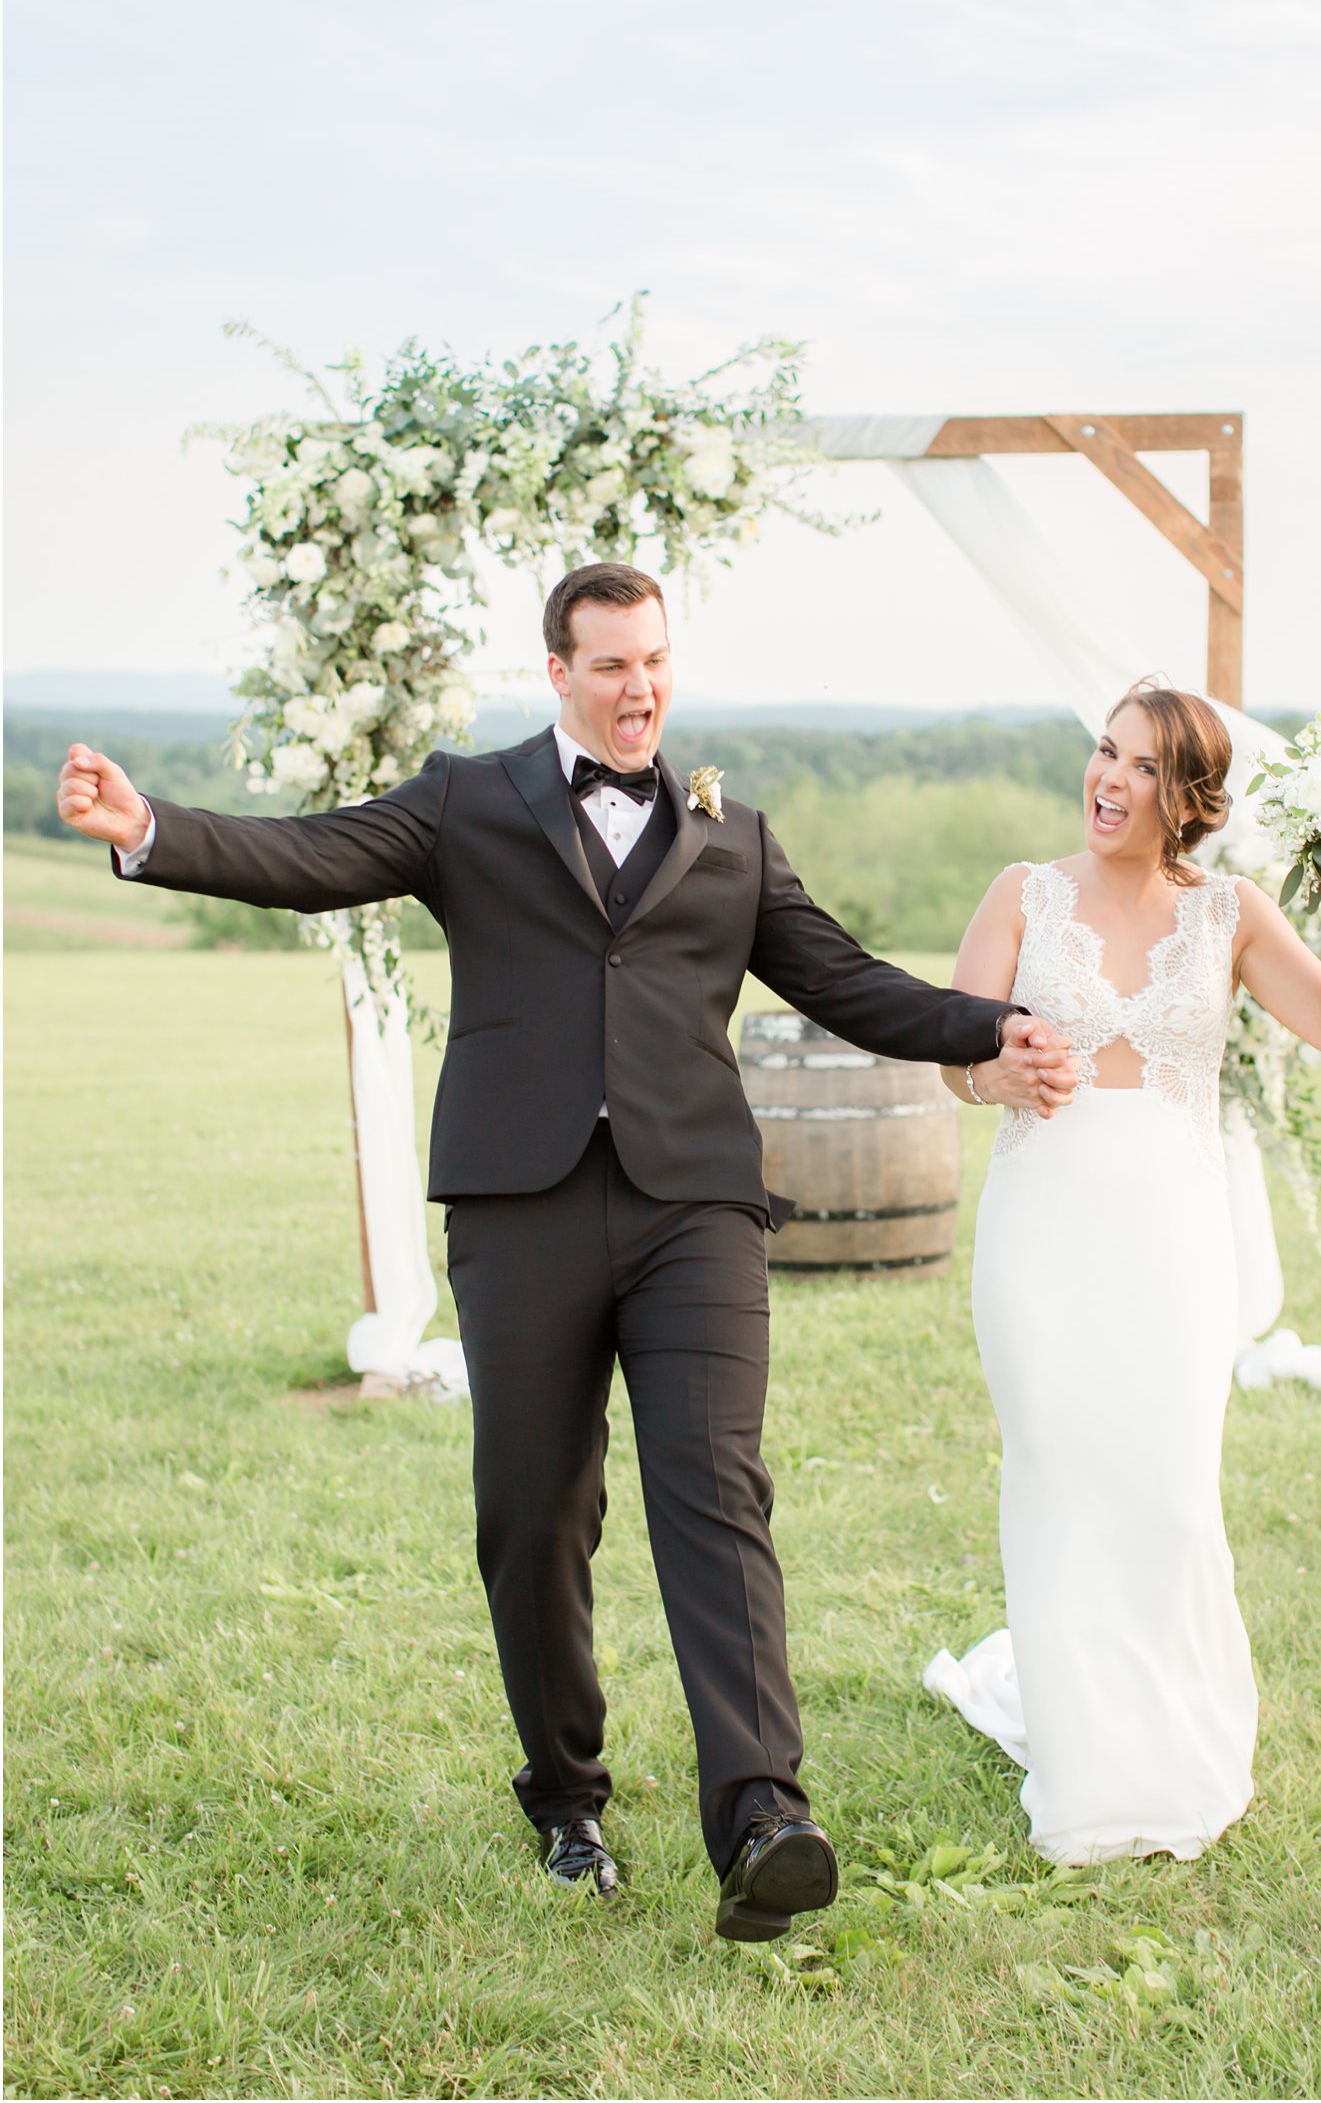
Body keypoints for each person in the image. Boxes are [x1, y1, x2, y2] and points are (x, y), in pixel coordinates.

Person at [56, 560, 1078, 1941]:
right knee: (535, 1512)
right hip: (518, 1204)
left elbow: (846, 981)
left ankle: (764, 1815)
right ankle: (567, 1798)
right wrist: (150, 828)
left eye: (655, 661)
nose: (640, 687)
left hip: (696, 1207)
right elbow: (312, 857)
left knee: (716, 1490)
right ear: (556, 672)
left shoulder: (737, 836)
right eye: (610, 664)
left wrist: (987, 1025)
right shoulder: (469, 802)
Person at [926, 680, 1321, 1865]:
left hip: (1176, 1241)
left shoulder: (1228, 913)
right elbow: (950, 1052)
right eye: (1103, 751)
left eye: (1139, 766)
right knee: (1056, 1471)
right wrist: (995, 1076)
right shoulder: (1020, 896)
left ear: (1184, 798)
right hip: (1042, 1227)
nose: (1107, 779)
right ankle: (1086, 1767)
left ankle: (1174, 1738)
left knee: (1166, 1487)